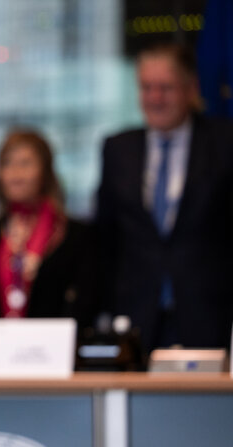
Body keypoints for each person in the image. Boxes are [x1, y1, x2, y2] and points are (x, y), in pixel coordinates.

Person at [96, 43, 233, 352]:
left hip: (211, 319)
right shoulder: (118, 149)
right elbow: (105, 240)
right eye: (146, 88)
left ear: (191, 89)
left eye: (166, 88)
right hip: (135, 323)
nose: (155, 99)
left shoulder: (225, 144)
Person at [0, 130, 95, 356]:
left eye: (26, 163)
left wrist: (55, 353)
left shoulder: (76, 236)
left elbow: (87, 304)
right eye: (7, 163)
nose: (15, 173)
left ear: (45, 172)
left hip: (57, 367)